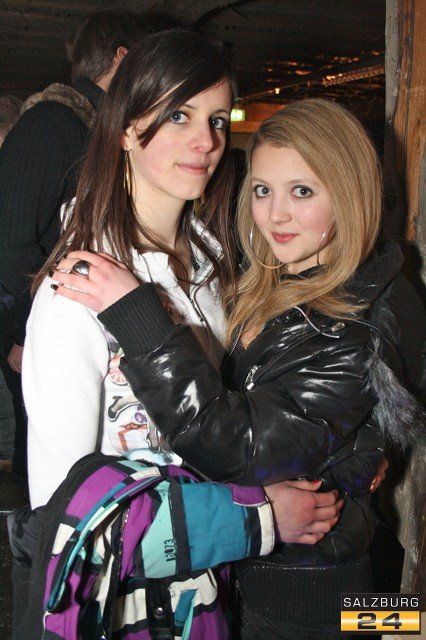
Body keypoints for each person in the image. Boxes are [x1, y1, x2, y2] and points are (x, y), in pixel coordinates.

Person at [52, 98, 425, 639]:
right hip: (273, 577)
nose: (275, 214)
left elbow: (240, 449)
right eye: (262, 189)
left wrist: (139, 319)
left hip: (309, 598)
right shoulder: (276, 281)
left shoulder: (350, 325)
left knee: (400, 628)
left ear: (349, 194)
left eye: (302, 191)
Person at [18, 32, 345, 639]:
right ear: (124, 128)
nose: (207, 141)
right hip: (132, 613)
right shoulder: (75, 295)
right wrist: (260, 518)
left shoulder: (215, 262)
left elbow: (238, 422)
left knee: (388, 623)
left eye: (217, 119)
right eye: (179, 115)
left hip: (217, 595)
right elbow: (65, 525)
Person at [0, 10, 148, 479]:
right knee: (57, 467)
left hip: (83, 322)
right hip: (49, 324)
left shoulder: (94, 126)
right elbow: (10, 244)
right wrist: (32, 327)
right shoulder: (52, 122)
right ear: (122, 58)